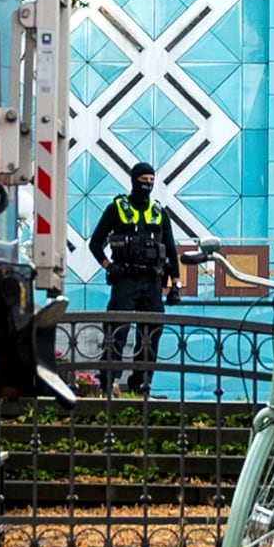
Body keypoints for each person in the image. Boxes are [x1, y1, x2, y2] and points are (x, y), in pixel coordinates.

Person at [89, 162, 180, 397]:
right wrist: (110, 266)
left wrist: (175, 284)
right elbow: (95, 243)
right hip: (125, 279)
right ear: (134, 180)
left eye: (152, 180)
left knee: (151, 333)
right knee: (117, 330)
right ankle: (107, 383)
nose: (148, 185)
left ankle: (142, 384)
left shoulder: (159, 212)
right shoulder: (117, 209)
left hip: (152, 282)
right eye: (143, 180)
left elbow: (170, 250)